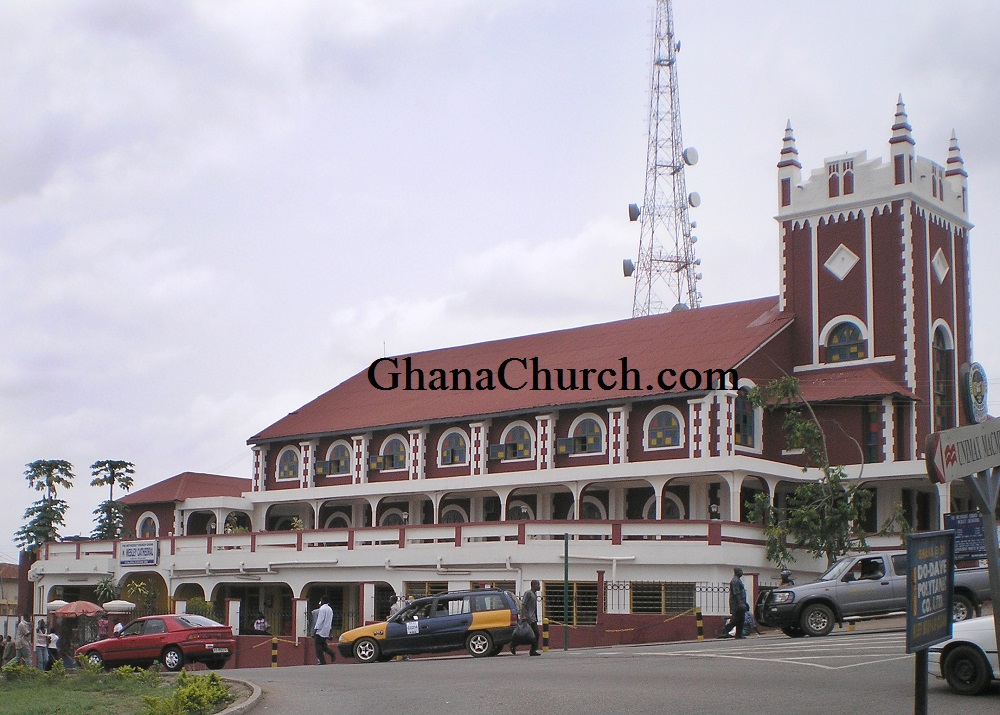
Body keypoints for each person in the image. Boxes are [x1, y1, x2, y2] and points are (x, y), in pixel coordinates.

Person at [511, 580, 541, 656]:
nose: (539, 586)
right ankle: (513, 645)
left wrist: (536, 616)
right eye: (538, 585)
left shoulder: (535, 594)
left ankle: (533, 651)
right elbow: (523, 605)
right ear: (533, 585)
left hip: (532, 618)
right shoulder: (528, 593)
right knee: (523, 634)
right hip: (527, 618)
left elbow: (534, 607)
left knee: (536, 634)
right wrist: (523, 616)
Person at [718, 568, 749, 639]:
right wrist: (740, 603)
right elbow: (736, 593)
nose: (741, 572)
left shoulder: (738, 580)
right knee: (735, 620)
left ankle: (738, 634)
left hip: (740, 603)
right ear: (736, 572)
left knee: (741, 620)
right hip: (737, 604)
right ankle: (725, 631)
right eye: (740, 571)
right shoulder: (735, 581)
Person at [312, 595, 336, 664]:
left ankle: (322, 660)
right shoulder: (330, 609)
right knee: (323, 645)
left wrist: (315, 629)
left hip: (320, 630)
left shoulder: (322, 609)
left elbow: (320, 620)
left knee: (318, 646)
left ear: (323, 601)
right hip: (326, 630)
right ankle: (331, 653)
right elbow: (330, 621)